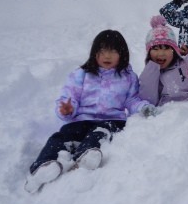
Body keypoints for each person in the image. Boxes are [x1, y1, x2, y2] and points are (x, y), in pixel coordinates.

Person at [24, 30, 156, 193]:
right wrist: (67, 110)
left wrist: (142, 107)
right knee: (60, 137)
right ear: (94, 53)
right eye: (102, 51)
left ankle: (86, 154)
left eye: (113, 51)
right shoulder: (81, 75)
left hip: (111, 120)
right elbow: (70, 97)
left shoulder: (128, 77)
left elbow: (131, 100)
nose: (107, 55)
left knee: (101, 132)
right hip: (81, 120)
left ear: (122, 54)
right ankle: (43, 166)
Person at [139, 16, 188, 106]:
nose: (161, 54)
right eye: (155, 49)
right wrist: (151, 70)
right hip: (168, 112)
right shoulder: (151, 73)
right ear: (149, 53)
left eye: (166, 48)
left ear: (174, 50)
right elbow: (148, 101)